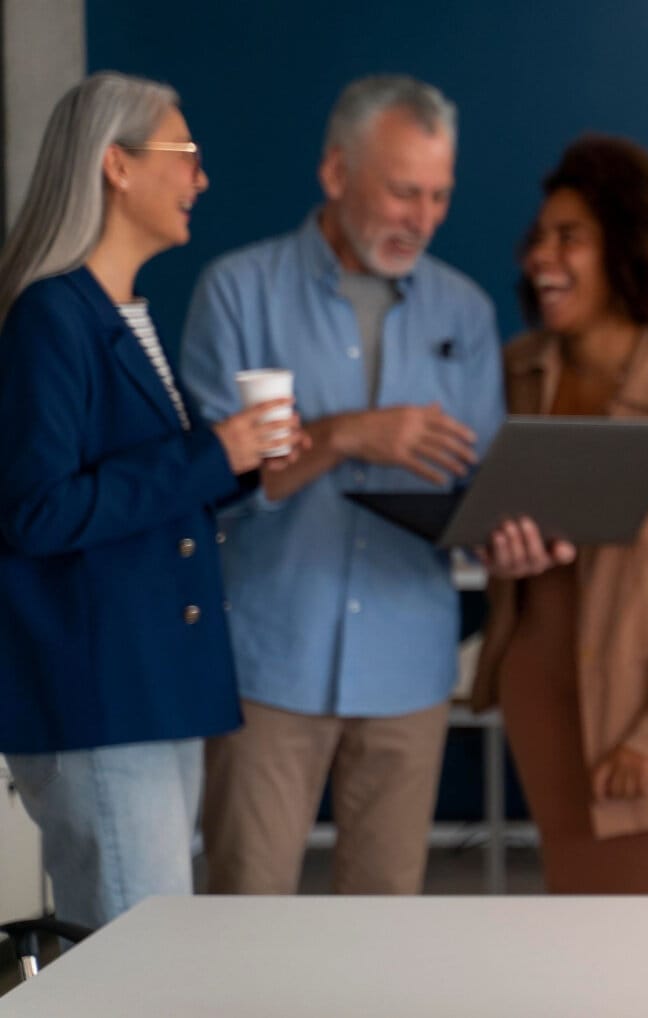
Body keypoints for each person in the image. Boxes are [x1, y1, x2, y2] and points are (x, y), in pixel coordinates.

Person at [179, 75, 505, 896]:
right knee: (243, 917)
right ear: (335, 174)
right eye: (403, 191)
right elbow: (211, 483)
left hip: (409, 668)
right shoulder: (236, 292)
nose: (422, 218)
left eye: (438, 195)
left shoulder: (463, 311)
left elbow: (478, 481)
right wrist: (353, 434)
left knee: (383, 932)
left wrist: (513, 529)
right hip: (269, 662)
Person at [0, 72, 303, 928]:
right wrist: (217, 450)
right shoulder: (50, 319)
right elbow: (36, 511)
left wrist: (244, 465)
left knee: (154, 952)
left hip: (154, 690)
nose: (201, 179)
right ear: (117, 167)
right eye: (187, 155)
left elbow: (145, 489)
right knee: (140, 965)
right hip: (102, 696)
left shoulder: (121, 312)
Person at [470, 135, 648, 893]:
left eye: (571, 238)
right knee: (583, 956)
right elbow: (486, 525)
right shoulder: (513, 374)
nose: (541, 257)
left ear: (631, 249)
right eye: (539, 237)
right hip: (548, 711)